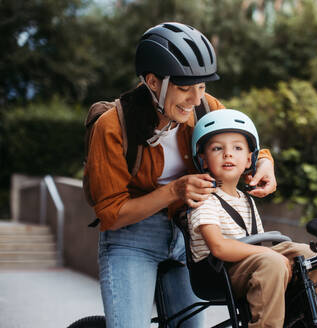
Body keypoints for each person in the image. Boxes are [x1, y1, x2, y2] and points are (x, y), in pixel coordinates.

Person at [84, 22, 276, 328]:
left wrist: (264, 162)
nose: (196, 99)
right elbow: (110, 213)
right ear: (153, 82)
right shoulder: (112, 126)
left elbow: (240, 142)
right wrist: (174, 191)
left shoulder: (205, 109)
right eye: (185, 88)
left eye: (201, 87)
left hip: (190, 234)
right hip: (131, 238)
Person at [188, 109, 317, 328]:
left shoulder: (246, 199)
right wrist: (267, 253)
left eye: (237, 148)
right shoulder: (205, 199)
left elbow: (256, 242)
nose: (228, 154)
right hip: (218, 271)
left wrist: (274, 252)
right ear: (203, 159)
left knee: (306, 254)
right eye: (217, 148)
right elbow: (218, 247)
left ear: (249, 160)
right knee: (271, 261)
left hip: (245, 264)